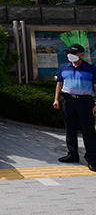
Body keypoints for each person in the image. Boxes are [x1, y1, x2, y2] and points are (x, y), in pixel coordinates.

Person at [53, 43, 96, 171]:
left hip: (85, 102)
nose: (70, 56)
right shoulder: (63, 67)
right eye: (69, 53)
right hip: (68, 101)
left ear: (82, 55)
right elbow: (59, 84)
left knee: (88, 131)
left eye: (73, 53)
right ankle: (72, 154)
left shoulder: (91, 69)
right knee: (70, 128)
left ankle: (92, 159)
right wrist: (56, 99)